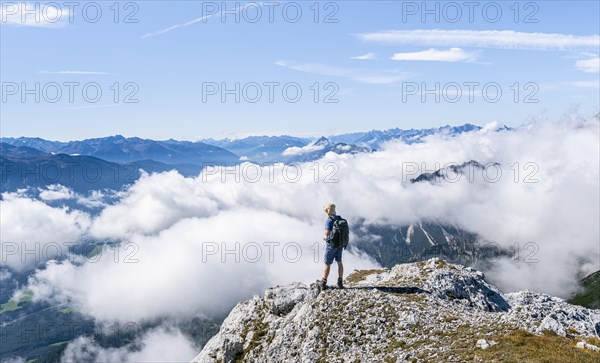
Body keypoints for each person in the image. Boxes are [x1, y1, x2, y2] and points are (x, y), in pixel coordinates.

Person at [321, 203, 344, 289]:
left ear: (327, 212)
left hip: (331, 245)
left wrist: (325, 235)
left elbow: (327, 232)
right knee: (339, 262)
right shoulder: (339, 218)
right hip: (340, 244)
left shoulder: (329, 220)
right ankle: (340, 281)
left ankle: (323, 282)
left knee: (327, 263)